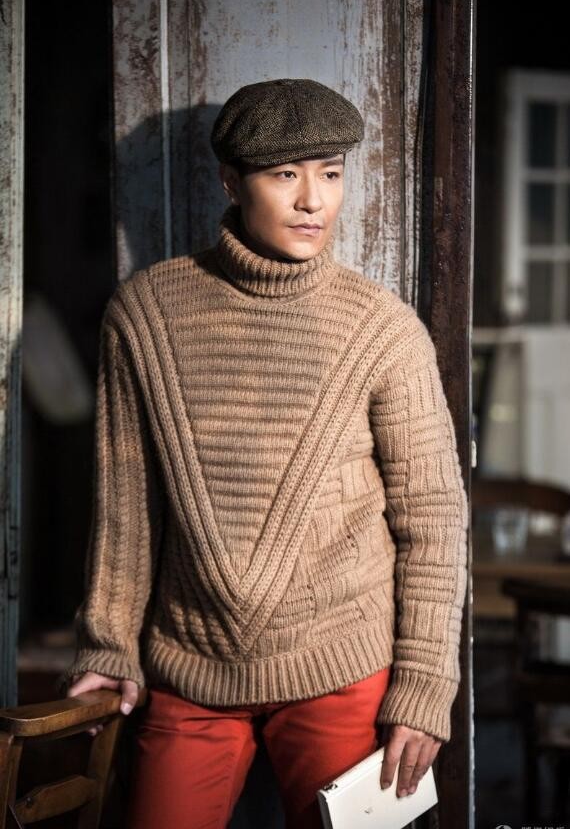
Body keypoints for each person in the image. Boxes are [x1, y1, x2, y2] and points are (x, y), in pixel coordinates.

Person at [59, 78, 469, 829]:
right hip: (189, 669)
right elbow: (126, 505)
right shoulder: (144, 314)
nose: (314, 201)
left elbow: (433, 518)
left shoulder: (384, 329)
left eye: (331, 173)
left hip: (344, 670)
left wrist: (424, 685)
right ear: (231, 181)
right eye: (285, 175)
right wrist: (107, 645)